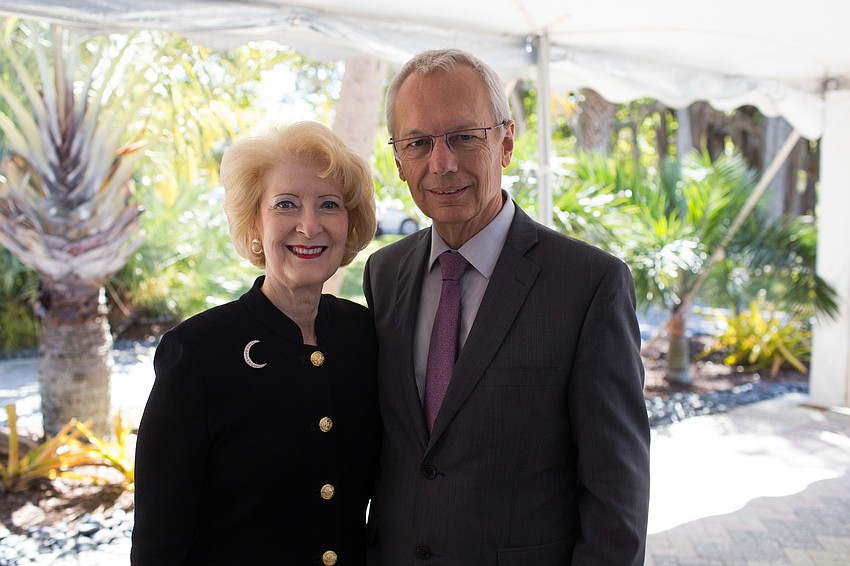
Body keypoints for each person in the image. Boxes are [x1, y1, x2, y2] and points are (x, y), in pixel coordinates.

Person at [363, 48, 650, 565]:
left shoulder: (589, 285)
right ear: (399, 162)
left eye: (464, 137)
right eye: (419, 142)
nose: (442, 162)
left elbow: (617, 502)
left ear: (506, 143)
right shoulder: (384, 274)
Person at [131, 121, 379, 566]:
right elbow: (158, 542)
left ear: (349, 223)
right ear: (255, 221)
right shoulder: (198, 352)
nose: (309, 225)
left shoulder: (365, 334)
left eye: (329, 205)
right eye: (286, 204)